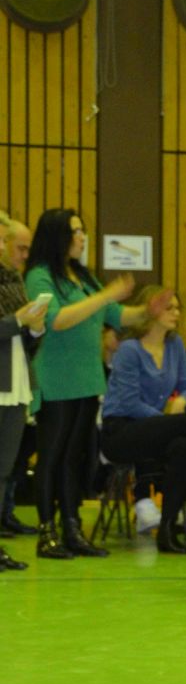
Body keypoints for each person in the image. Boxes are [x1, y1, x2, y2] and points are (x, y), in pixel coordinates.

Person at [24, 208, 151, 560]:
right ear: (57, 236)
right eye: (75, 231)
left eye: (82, 231)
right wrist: (105, 296)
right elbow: (56, 320)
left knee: (73, 458)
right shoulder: (39, 276)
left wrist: (147, 311)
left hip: (86, 379)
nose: (82, 237)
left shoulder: (82, 276)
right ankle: (46, 532)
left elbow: (117, 315)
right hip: (56, 379)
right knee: (51, 456)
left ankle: (72, 528)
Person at [100, 289, 186, 554]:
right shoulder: (129, 350)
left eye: (177, 308)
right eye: (169, 308)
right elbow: (129, 404)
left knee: (183, 446)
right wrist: (168, 420)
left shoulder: (174, 345)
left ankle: (168, 529)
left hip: (157, 429)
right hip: (121, 430)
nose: (176, 313)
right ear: (151, 311)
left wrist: (182, 399)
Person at [0, 216, 48, 570]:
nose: (3, 248)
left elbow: (23, 340)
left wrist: (35, 329)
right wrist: (18, 320)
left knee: (3, 470)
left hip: (15, 384)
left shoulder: (13, 280)